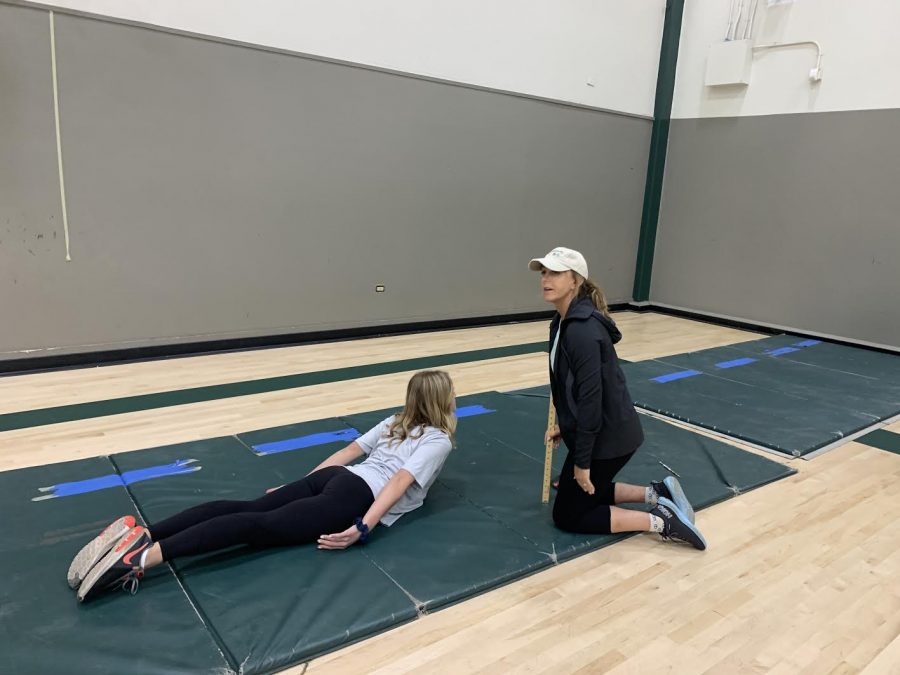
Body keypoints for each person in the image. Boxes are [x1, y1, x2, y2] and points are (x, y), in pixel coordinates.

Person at [69, 370, 457, 602]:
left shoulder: (396, 420)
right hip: (355, 495)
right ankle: (140, 559)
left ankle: (142, 533)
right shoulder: (438, 439)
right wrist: (363, 526)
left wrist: (304, 483)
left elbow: (351, 450)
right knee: (256, 527)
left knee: (248, 507)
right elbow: (399, 481)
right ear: (442, 401)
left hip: (334, 479)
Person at [528, 246, 707, 549]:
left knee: (568, 514)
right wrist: (565, 425)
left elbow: (591, 399)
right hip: (604, 431)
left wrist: (582, 462)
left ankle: (663, 521)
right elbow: (570, 387)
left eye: (555, 272)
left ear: (575, 281)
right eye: (544, 272)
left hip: (607, 438)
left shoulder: (581, 331)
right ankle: (657, 492)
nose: (546, 278)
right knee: (582, 491)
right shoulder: (562, 322)